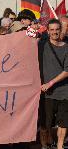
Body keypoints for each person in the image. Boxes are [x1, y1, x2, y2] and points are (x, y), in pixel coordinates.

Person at [39, 19, 68, 149]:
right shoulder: (42, 45)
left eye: (57, 29)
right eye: (52, 29)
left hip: (64, 91)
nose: (55, 32)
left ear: (60, 30)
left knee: (64, 122)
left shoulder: (67, 47)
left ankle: (60, 146)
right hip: (46, 94)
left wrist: (50, 83)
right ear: (48, 31)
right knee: (46, 123)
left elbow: (67, 71)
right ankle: (45, 145)